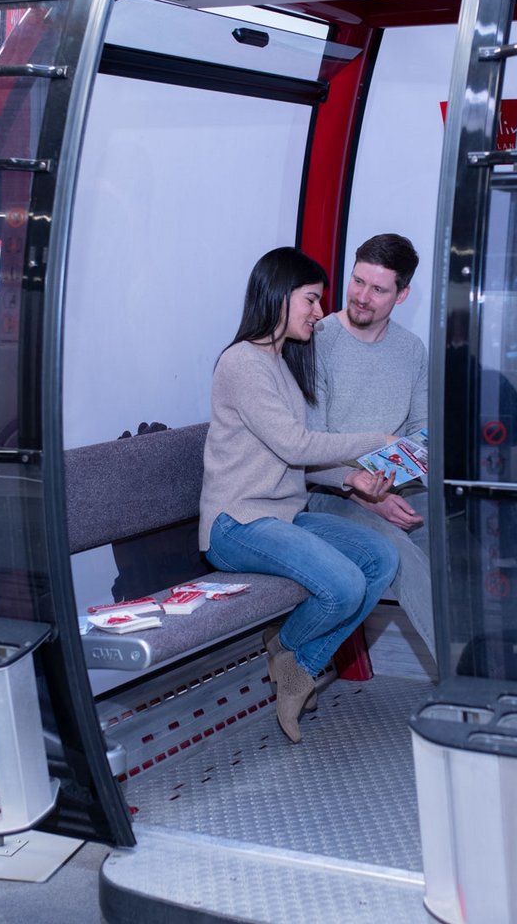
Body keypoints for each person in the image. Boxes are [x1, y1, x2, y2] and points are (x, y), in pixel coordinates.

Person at [200, 247, 400, 743]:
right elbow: (295, 444)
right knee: (344, 585)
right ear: (279, 296)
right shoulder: (242, 363)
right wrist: (374, 442)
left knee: (380, 558)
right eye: (311, 299)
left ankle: (293, 656)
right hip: (236, 524)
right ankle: (294, 658)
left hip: (282, 516)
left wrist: (350, 480)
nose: (318, 311)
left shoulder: (280, 363)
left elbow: (293, 458)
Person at [304, 233, 435, 654]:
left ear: (402, 295)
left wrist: (386, 487)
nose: (362, 297)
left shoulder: (410, 350)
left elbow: (421, 432)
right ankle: (463, 675)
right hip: (330, 491)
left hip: (394, 484)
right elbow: (307, 450)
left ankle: (494, 660)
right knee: (401, 555)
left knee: (459, 538)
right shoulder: (316, 340)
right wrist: (368, 497)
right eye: (358, 281)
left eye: (378, 289)